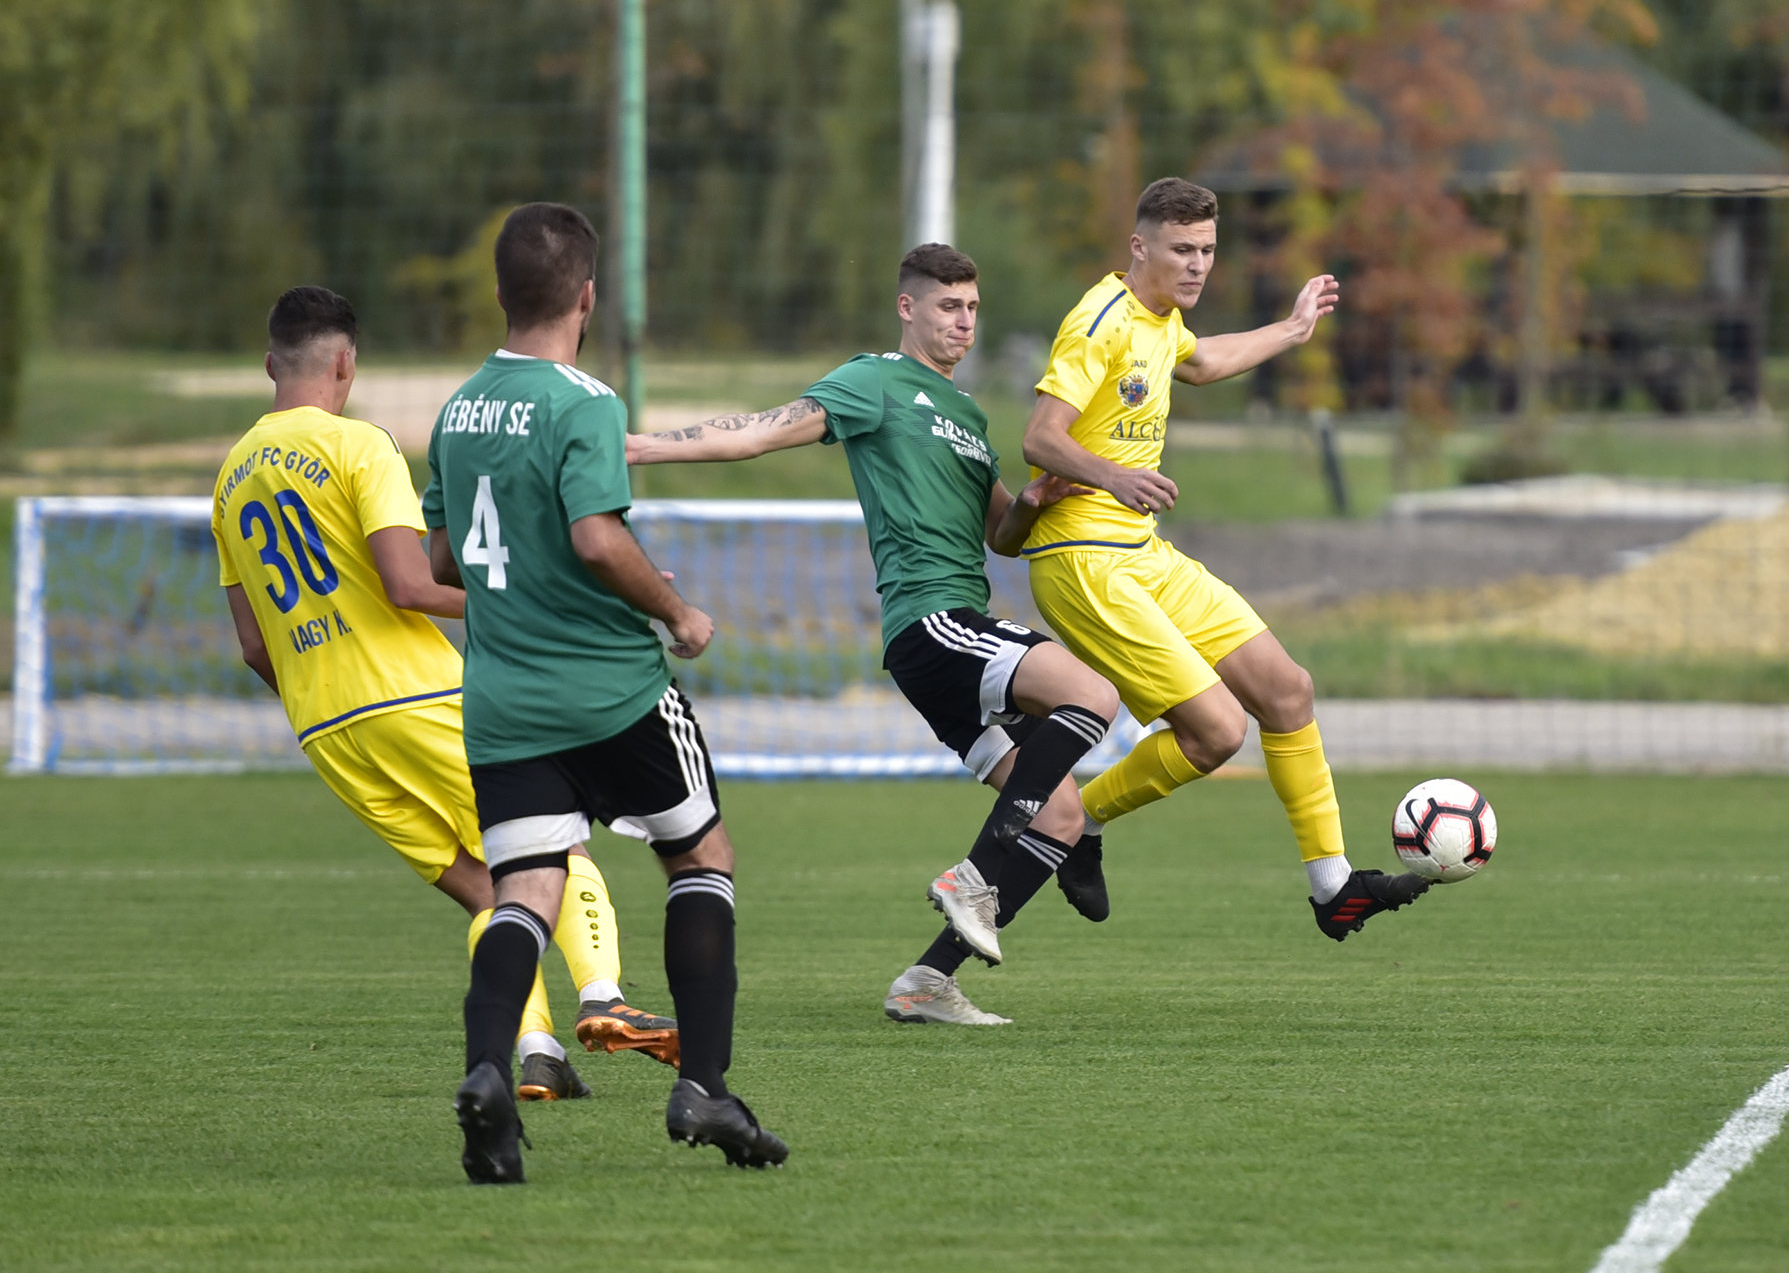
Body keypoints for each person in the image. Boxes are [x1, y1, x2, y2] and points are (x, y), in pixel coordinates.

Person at [626, 243, 1120, 1026]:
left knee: (1060, 815)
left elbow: (1002, 535)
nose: (964, 322)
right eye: (948, 307)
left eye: (972, 308)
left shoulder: (964, 414)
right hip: (934, 622)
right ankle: (972, 883)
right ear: (908, 308)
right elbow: (760, 431)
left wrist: (1032, 499)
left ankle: (925, 982)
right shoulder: (875, 381)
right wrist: (642, 445)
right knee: (1094, 693)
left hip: (956, 630)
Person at [213, 286, 675, 1110]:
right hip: (418, 697)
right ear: (346, 362)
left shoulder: (229, 479)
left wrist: (330, 692)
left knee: (487, 889)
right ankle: (603, 996)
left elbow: (254, 645)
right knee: (555, 849)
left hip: (326, 728)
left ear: (269, 363)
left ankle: (537, 1053)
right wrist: (534, 602)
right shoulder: (359, 446)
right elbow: (408, 584)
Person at [424, 203, 786, 1183]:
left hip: (503, 702)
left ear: (502, 293)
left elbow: (444, 557)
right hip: (613, 691)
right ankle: (704, 1085)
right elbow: (595, 535)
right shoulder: (585, 402)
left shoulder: (456, 413)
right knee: (700, 854)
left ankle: (490, 1073)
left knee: (527, 892)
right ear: (587, 295)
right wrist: (677, 611)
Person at [1018, 177, 1431, 940]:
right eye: (1182, 250)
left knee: (1285, 689)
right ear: (1139, 247)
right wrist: (1116, 476)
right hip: (1081, 558)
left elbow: (1200, 363)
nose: (1197, 265)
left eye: (1207, 250)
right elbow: (1040, 438)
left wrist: (1292, 330)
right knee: (1215, 733)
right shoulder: (1098, 320)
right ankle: (1072, 820)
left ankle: (1333, 887)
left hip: (1138, 551)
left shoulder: (1163, 319)